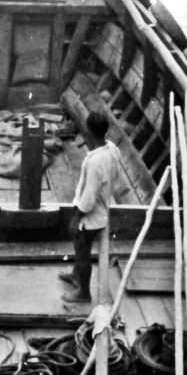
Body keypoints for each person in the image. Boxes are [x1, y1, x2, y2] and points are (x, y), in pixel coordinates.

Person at [59, 110, 121, 304]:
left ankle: (83, 293)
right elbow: (115, 175)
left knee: (82, 252)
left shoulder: (95, 162)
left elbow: (88, 199)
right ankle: (76, 276)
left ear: (89, 132)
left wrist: (76, 219)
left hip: (91, 217)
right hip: (103, 207)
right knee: (80, 249)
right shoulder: (112, 149)